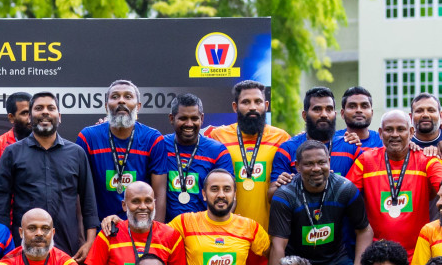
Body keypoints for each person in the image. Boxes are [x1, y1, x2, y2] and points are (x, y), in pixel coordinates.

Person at [0, 91, 99, 259]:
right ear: (30, 117)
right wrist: (6, 243)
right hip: (23, 247)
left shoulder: (76, 153)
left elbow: (89, 203)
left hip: (67, 246)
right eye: (39, 108)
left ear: (59, 116)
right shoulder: (12, 153)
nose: (45, 112)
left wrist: (90, 242)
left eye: (51, 108)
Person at [266, 140, 371, 265]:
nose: (316, 169)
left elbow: (365, 230)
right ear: (297, 166)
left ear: (329, 162)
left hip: (336, 264)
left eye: (321, 162)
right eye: (309, 164)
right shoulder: (284, 195)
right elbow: (278, 246)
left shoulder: (345, 189)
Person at [346, 110, 442, 256]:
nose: (394, 134)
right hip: (378, 257)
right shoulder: (366, 161)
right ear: (380, 133)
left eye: (400, 129)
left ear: (411, 132)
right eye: (389, 130)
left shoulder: (427, 160)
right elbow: (345, 195)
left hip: (418, 256)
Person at [204, 79, 290, 233]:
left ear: (266, 105)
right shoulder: (217, 137)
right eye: (246, 102)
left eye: (258, 101)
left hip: (269, 233)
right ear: (235, 107)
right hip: (228, 234)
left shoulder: (281, 138)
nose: (252, 107)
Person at [77, 79, 166, 222]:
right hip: (100, 229)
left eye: (128, 97)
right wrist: (87, 236)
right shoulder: (88, 137)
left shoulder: (153, 139)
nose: (121, 101)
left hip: (139, 228)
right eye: (115, 97)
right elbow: (79, 193)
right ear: (106, 106)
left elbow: (159, 194)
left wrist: (156, 235)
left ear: (138, 106)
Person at [84, 181, 184, 265]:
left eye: (148, 201)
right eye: (136, 201)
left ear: (154, 203)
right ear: (124, 205)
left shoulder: (170, 235)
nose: (143, 206)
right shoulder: (109, 234)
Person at [270, 86, 373, 182]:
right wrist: (292, 183)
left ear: (335, 114)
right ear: (305, 115)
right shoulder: (288, 149)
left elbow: (362, 194)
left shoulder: (351, 148)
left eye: (329, 109)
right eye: (317, 109)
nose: (324, 114)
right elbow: (272, 194)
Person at [155, 93, 228, 223]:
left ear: (202, 118)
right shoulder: (159, 146)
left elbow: (228, 198)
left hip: (202, 234)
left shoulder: (217, 151)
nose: (189, 124)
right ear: (172, 118)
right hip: (167, 231)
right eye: (183, 118)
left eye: (194, 118)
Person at [337, 86, 383, 158]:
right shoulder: (333, 141)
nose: (359, 110)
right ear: (342, 113)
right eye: (352, 106)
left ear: (372, 113)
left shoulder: (382, 141)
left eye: (364, 106)